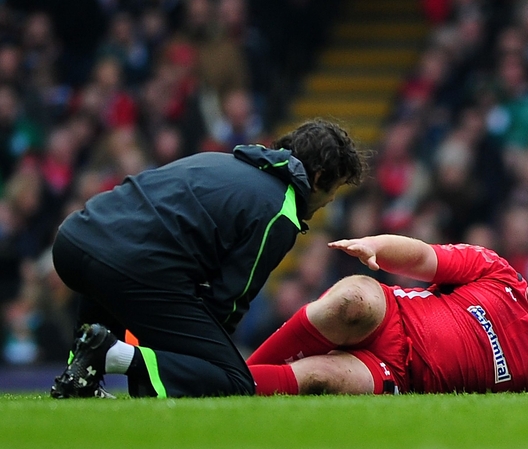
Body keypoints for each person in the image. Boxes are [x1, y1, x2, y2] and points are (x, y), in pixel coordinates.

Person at [50, 118, 368, 398]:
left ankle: (81, 375)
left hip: (75, 240)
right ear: (318, 179)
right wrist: (201, 358)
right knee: (234, 378)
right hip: (128, 266)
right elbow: (227, 303)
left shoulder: (223, 161)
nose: (329, 201)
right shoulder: (280, 211)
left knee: (114, 277)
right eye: (334, 189)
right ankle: (112, 355)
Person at [246, 234, 528, 395]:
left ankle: (222, 383)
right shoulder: (494, 270)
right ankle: (239, 371)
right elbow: (422, 256)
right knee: (352, 297)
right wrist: (374, 244)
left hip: (397, 374)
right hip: (392, 314)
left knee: (319, 377)